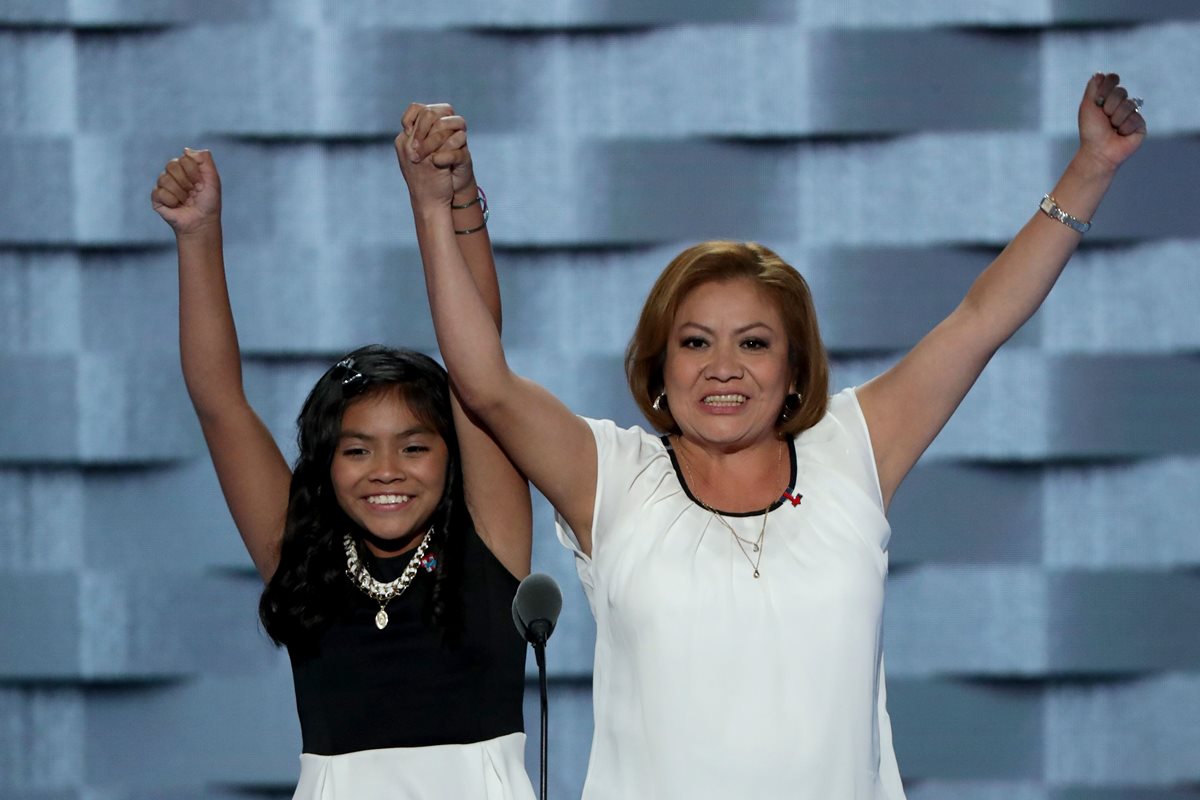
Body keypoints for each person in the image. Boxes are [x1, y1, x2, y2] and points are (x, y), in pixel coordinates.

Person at [400, 72, 1145, 799]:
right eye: (695, 343)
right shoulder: (614, 477)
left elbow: (980, 320)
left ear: (795, 371)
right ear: (659, 366)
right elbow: (484, 382)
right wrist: (437, 208)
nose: (723, 369)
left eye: (753, 344)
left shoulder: (852, 449)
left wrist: (1092, 167)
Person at [151, 106, 537, 800]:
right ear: (325, 465)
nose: (386, 470)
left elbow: (481, 367)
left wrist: (441, 199)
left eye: (415, 446)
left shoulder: (490, 542)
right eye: (357, 450)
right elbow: (219, 404)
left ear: (452, 457)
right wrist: (198, 237)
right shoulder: (304, 561)